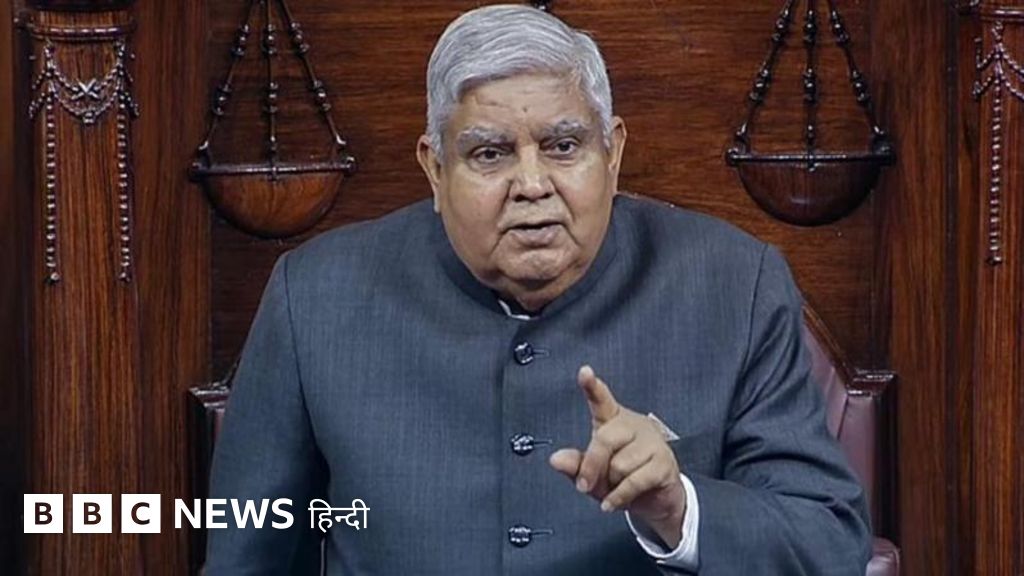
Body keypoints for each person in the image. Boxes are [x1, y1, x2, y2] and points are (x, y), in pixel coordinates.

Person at [206, 4, 872, 575]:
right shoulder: (315, 297)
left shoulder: (734, 285)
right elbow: (248, 553)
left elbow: (828, 542)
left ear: (612, 154)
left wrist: (679, 509)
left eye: (563, 146)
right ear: (434, 169)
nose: (531, 185)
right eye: (490, 154)